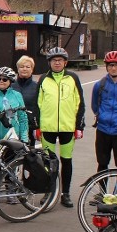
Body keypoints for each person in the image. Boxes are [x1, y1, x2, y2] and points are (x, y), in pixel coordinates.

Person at [36, 47, 85, 208]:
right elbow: (37, 104)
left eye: (60, 60)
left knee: (66, 160)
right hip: (47, 127)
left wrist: (79, 126)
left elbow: (80, 103)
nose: (57, 63)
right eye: (54, 60)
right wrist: (37, 126)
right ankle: (49, 192)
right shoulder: (43, 79)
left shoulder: (73, 78)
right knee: (48, 162)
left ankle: (65, 193)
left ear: (65, 62)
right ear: (49, 62)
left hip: (67, 127)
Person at [9, 55, 39, 145]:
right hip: (12, 126)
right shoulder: (11, 86)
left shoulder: (37, 87)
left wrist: (37, 126)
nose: (24, 69)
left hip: (29, 126)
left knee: (28, 154)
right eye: (21, 67)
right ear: (17, 69)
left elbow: (39, 107)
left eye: (27, 67)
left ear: (32, 69)